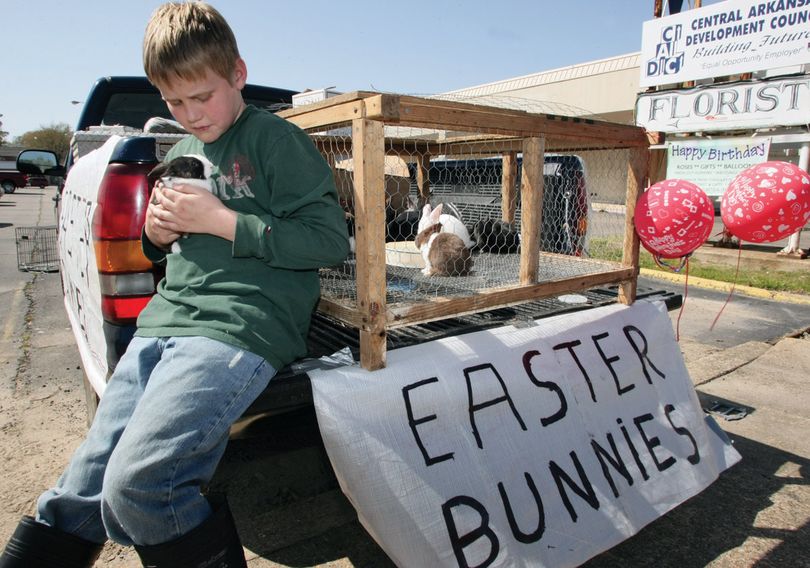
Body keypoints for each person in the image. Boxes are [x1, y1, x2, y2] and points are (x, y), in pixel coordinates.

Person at [0, 2, 350, 567]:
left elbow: (330, 241)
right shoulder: (181, 152)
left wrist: (224, 221)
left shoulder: (273, 140)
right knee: (79, 491)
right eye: (174, 102)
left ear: (237, 74)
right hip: (161, 325)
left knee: (141, 487)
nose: (192, 115)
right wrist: (156, 235)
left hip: (239, 326)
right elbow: (156, 249)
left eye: (202, 96)